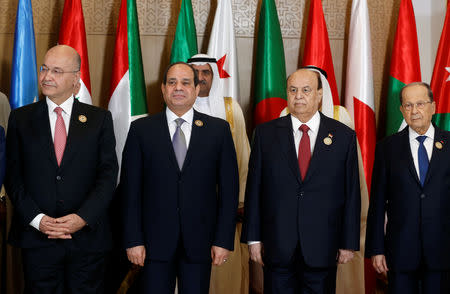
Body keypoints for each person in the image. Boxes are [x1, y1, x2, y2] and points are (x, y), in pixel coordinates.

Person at [5, 45, 118, 294]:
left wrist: (82, 218)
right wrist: (38, 220)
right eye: (44, 68)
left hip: (87, 240)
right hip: (37, 240)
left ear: (75, 79)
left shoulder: (99, 120)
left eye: (56, 71)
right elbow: (14, 177)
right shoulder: (20, 119)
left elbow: (108, 177)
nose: (46, 76)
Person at [121, 62, 239, 293]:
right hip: (152, 244)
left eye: (186, 82)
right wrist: (133, 240)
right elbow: (130, 191)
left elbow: (229, 190)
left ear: (196, 89)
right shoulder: (141, 130)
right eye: (172, 82)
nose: (178, 88)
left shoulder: (218, 130)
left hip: (201, 242)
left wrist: (223, 240)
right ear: (163, 89)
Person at [241, 67, 361, 293]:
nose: (298, 96)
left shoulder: (344, 137)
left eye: (306, 90)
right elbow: (255, 189)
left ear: (319, 94)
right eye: (293, 90)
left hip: (323, 246)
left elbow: (351, 193)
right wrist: (253, 238)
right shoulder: (265, 134)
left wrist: (349, 242)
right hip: (277, 246)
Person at [365, 82, 450, 293]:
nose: (414, 111)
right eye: (408, 105)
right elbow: (377, 202)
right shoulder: (387, 148)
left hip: (443, 250)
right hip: (401, 251)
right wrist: (376, 249)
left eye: (420, 104)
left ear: (433, 106)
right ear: (402, 110)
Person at [188, 53, 250, 294]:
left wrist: (240, 200)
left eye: (207, 73)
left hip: (225, 205)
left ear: (214, 76)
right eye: (196, 73)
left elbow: (243, 156)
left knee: (224, 271)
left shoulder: (230, 108)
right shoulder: (178, 104)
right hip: (187, 205)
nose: (201, 78)